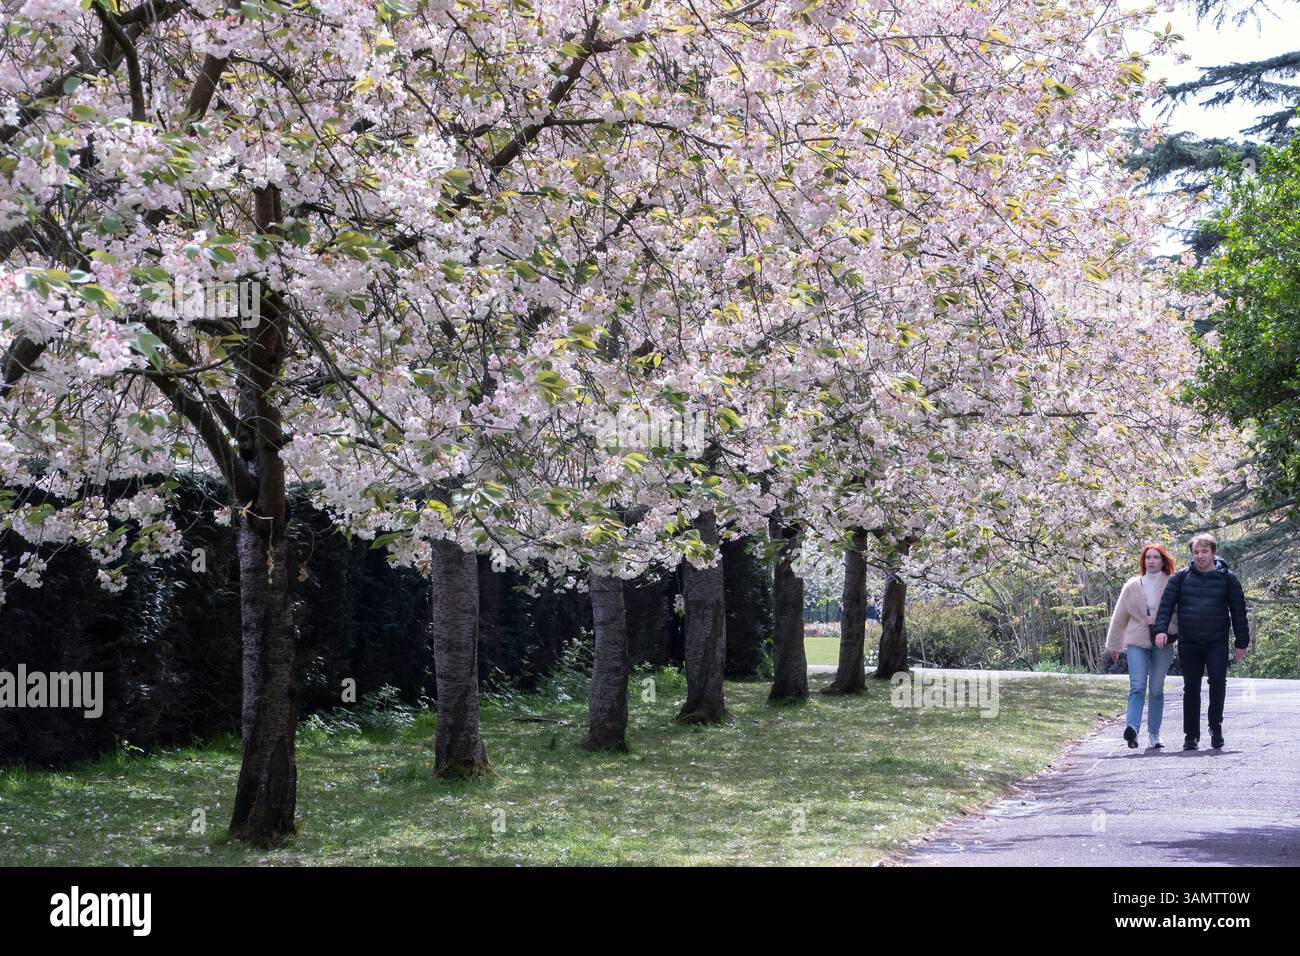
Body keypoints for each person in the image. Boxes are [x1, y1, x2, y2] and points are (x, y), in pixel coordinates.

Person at [1153, 533, 1249, 751]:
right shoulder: (1180, 577)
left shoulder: (1228, 578)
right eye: (1196, 552)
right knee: (1191, 688)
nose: (1200, 556)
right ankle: (1191, 736)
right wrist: (1160, 630)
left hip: (1217, 641)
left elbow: (1238, 612)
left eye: (1204, 552)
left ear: (1213, 553)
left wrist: (1241, 643)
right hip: (1190, 641)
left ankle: (1216, 728)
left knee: (1217, 684)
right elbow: (1166, 606)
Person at [1106, 544, 1179, 749]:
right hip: (1137, 641)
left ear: (1163, 560)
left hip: (1163, 642)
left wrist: (1163, 624)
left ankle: (1154, 734)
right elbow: (1120, 615)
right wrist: (1114, 644)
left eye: (1156, 557)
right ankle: (1132, 729)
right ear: (1143, 561)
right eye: (1148, 557)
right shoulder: (1132, 585)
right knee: (1137, 686)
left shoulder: (1172, 583)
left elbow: (1178, 614)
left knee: (1156, 689)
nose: (1151, 561)